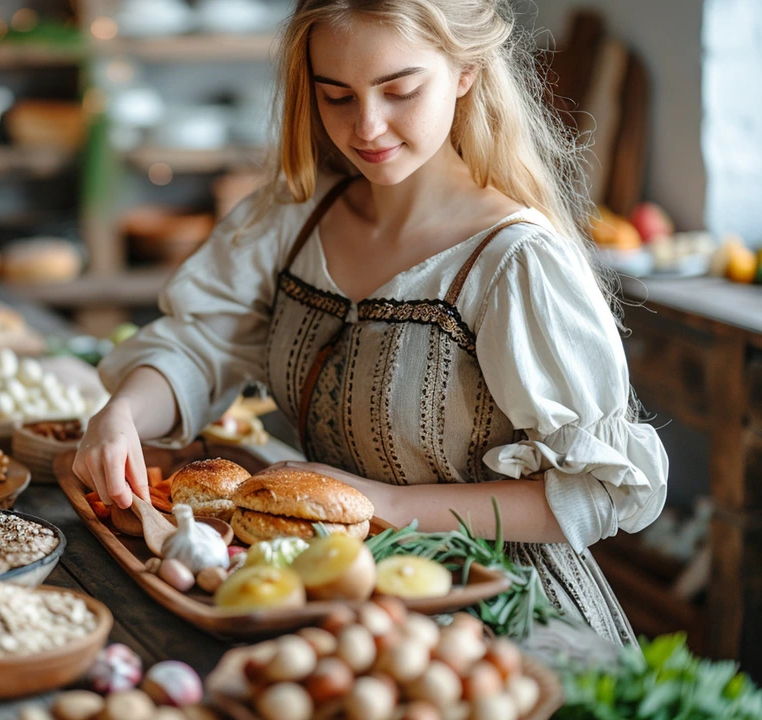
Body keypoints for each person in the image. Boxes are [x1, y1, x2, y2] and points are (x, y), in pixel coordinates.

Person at [74, 0, 668, 645]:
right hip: (335, 590)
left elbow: (595, 492)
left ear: (465, 71)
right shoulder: (294, 216)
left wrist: (385, 505)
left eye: (400, 91)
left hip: (494, 610)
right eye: (336, 97)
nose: (367, 127)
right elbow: (200, 344)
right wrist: (124, 413)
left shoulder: (513, 261)